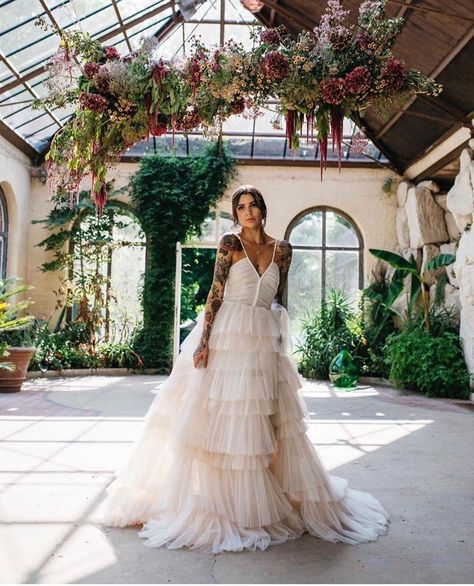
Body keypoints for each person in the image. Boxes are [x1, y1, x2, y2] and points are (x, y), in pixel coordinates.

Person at [98, 185, 390, 553]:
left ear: (262, 209)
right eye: (241, 206)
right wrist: (203, 343)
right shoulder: (229, 244)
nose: (248, 212)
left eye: (253, 206)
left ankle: (261, 500)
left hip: (263, 340)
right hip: (227, 338)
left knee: (262, 421)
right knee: (220, 418)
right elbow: (214, 294)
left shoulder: (282, 249)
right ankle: (222, 502)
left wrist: (281, 342)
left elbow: (280, 299)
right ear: (235, 213)